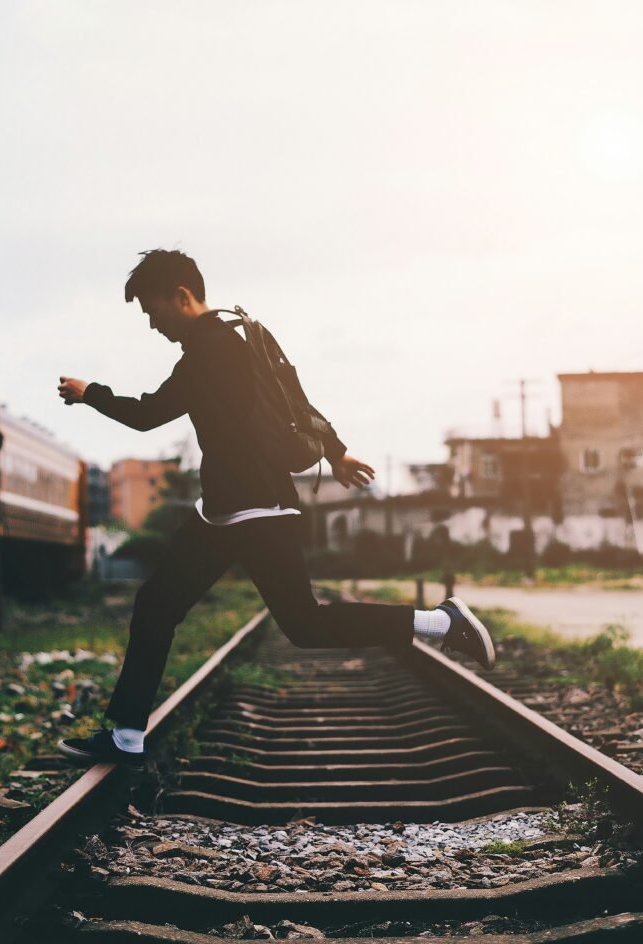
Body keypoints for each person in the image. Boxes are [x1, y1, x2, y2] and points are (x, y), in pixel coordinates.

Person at [57, 249, 495, 769]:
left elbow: (149, 414)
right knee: (159, 605)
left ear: (182, 296)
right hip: (227, 510)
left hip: (254, 509)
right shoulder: (242, 338)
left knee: (302, 624)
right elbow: (295, 399)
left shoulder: (208, 351)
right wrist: (334, 451)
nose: (154, 326)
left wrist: (92, 395)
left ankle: (443, 623)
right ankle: (127, 737)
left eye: (155, 313)